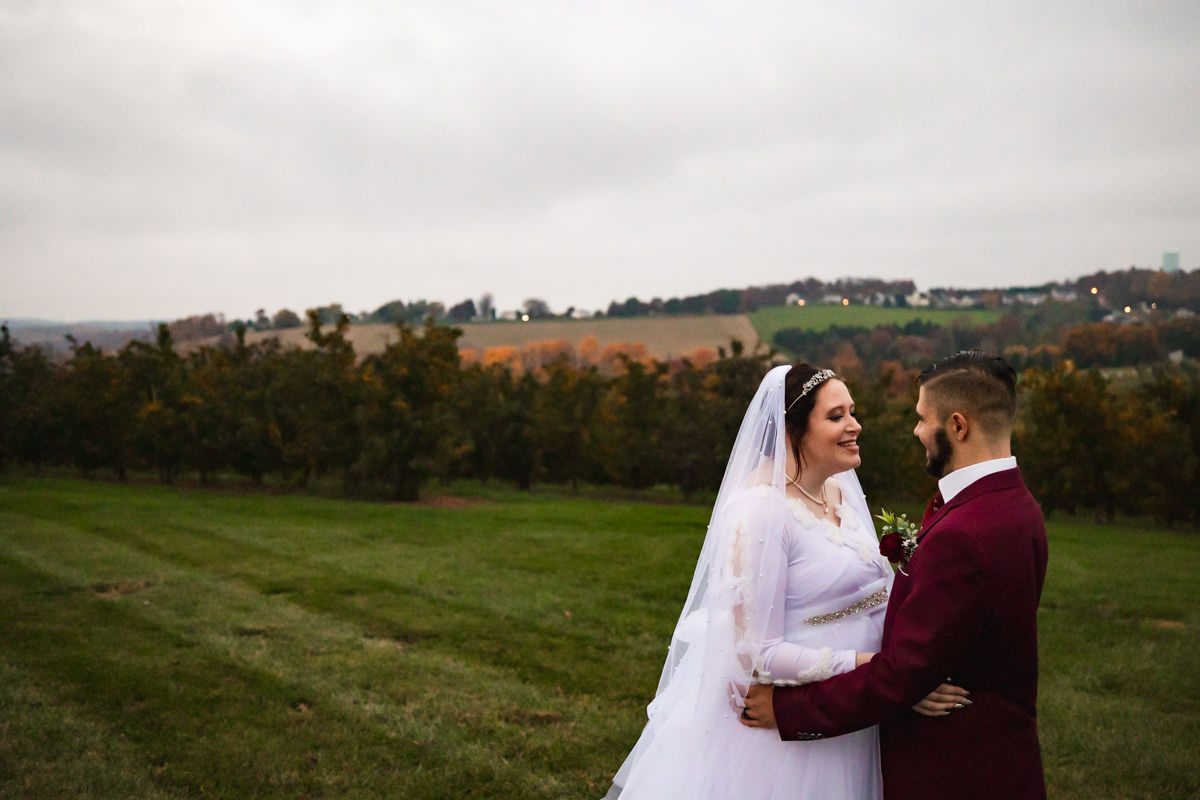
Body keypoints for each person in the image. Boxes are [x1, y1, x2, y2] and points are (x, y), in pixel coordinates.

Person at [741, 351, 1049, 800]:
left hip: (958, 765)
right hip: (992, 747)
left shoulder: (965, 531)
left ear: (958, 426)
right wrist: (904, 681)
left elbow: (905, 673)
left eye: (924, 419)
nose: (917, 430)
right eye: (837, 414)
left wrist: (788, 710)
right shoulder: (1019, 507)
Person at [605, 363, 901, 799]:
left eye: (852, 412)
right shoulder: (761, 511)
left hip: (853, 713)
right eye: (836, 416)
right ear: (791, 431)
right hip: (787, 742)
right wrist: (876, 670)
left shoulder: (838, 493)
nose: (855, 426)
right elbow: (757, 654)